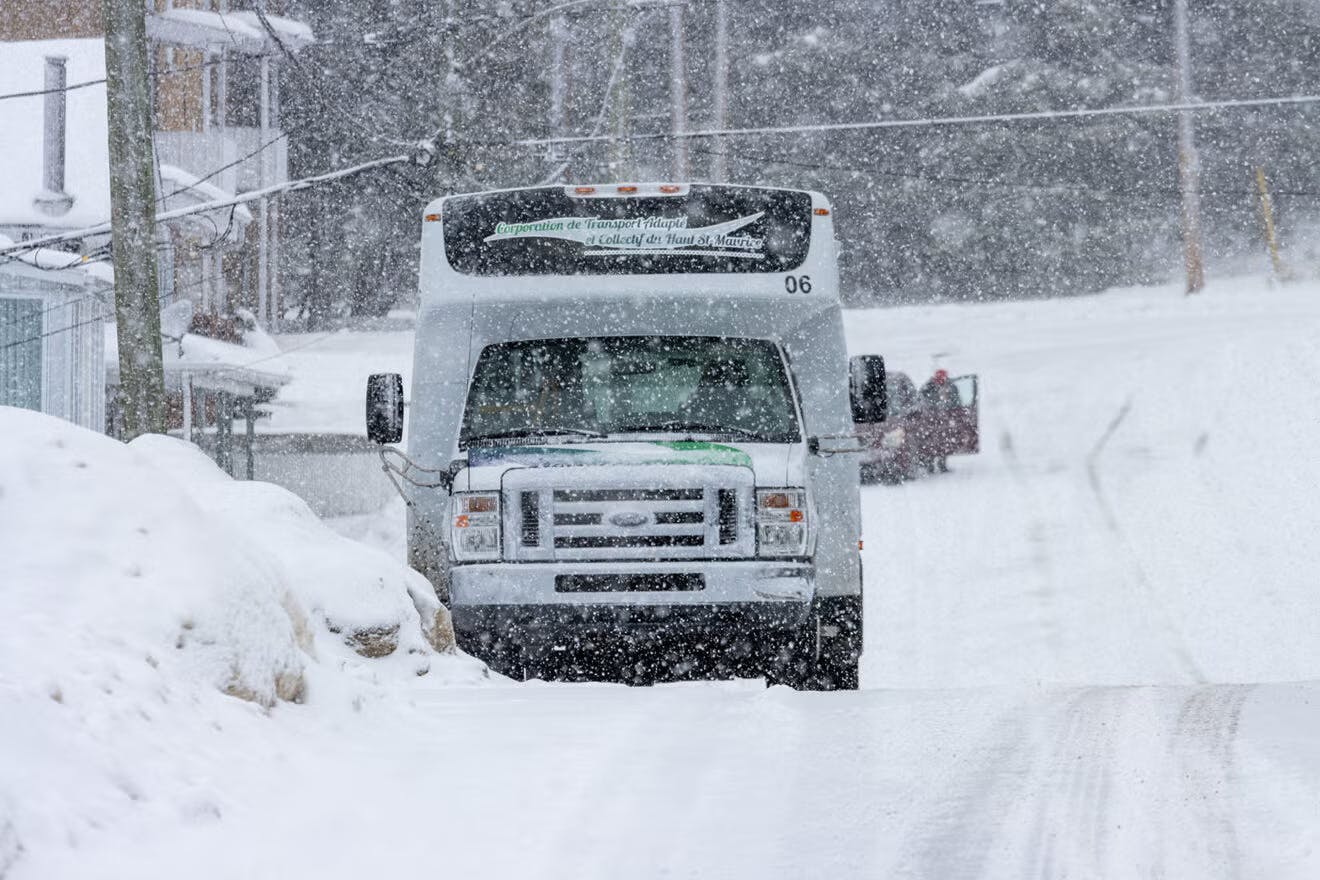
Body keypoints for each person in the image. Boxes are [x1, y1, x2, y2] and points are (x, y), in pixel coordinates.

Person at [919, 369, 959, 473]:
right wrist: (933, 406)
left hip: (945, 418)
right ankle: (929, 464)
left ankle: (942, 464)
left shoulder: (951, 387)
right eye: (939, 379)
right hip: (930, 418)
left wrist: (950, 407)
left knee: (944, 442)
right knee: (930, 442)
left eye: (942, 379)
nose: (941, 381)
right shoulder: (928, 387)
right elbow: (922, 398)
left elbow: (955, 400)